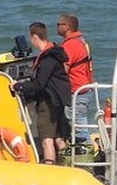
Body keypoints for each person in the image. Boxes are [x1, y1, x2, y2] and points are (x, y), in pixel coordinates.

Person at [12, 22, 71, 164]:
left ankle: (49, 166)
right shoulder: (55, 54)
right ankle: (68, 165)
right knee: (59, 138)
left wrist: (18, 86)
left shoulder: (47, 59)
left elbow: (39, 84)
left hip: (48, 102)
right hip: (58, 101)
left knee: (46, 140)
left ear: (34, 37)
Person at [58, 13, 94, 143]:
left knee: (78, 126)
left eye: (59, 24)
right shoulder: (81, 41)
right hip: (85, 88)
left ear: (66, 26)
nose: (56, 27)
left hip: (77, 90)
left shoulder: (70, 45)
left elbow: (63, 70)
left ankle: (87, 153)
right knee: (79, 123)